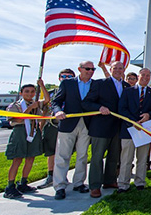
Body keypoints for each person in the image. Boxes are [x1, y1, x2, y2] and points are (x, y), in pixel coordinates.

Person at [82, 61, 130, 198]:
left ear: (124, 70)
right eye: (115, 68)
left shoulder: (127, 86)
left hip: (118, 127)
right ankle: (95, 186)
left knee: (114, 156)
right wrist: (99, 108)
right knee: (97, 157)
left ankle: (109, 181)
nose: (118, 70)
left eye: (121, 68)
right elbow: (86, 103)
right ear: (111, 69)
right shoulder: (99, 83)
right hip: (100, 127)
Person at [51, 61, 94, 200]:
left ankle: (79, 183)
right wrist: (58, 111)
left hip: (86, 124)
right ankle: (60, 186)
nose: (90, 71)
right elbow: (56, 102)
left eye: (93, 69)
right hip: (68, 123)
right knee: (63, 155)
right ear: (80, 69)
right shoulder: (67, 84)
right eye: (87, 68)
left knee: (82, 155)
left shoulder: (95, 84)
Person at [3, 79, 50, 199]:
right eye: (27, 91)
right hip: (20, 132)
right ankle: (10, 186)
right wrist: (30, 109)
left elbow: (47, 100)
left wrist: (42, 86)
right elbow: (17, 120)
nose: (30, 94)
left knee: (30, 158)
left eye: (32, 91)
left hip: (33, 131)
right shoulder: (15, 106)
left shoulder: (35, 103)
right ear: (21, 93)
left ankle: (23, 182)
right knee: (17, 159)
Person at [117, 68, 151, 193]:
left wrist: (149, 115)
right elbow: (122, 108)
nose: (146, 78)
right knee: (126, 158)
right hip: (129, 129)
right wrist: (132, 121)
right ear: (138, 76)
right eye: (143, 75)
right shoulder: (128, 91)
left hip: (144, 130)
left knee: (142, 158)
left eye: (148, 76)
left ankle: (140, 182)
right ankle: (123, 184)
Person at [38, 68, 75, 189]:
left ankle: (62, 176)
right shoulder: (51, 92)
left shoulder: (75, 91)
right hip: (52, 124)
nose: (66, 79)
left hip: (68, 124)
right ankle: (50, 175)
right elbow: (44, 109)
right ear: (59, 78)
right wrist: (40, 126)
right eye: (63, 77)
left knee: (66, 152)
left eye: (69, 77)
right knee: (51, 151)